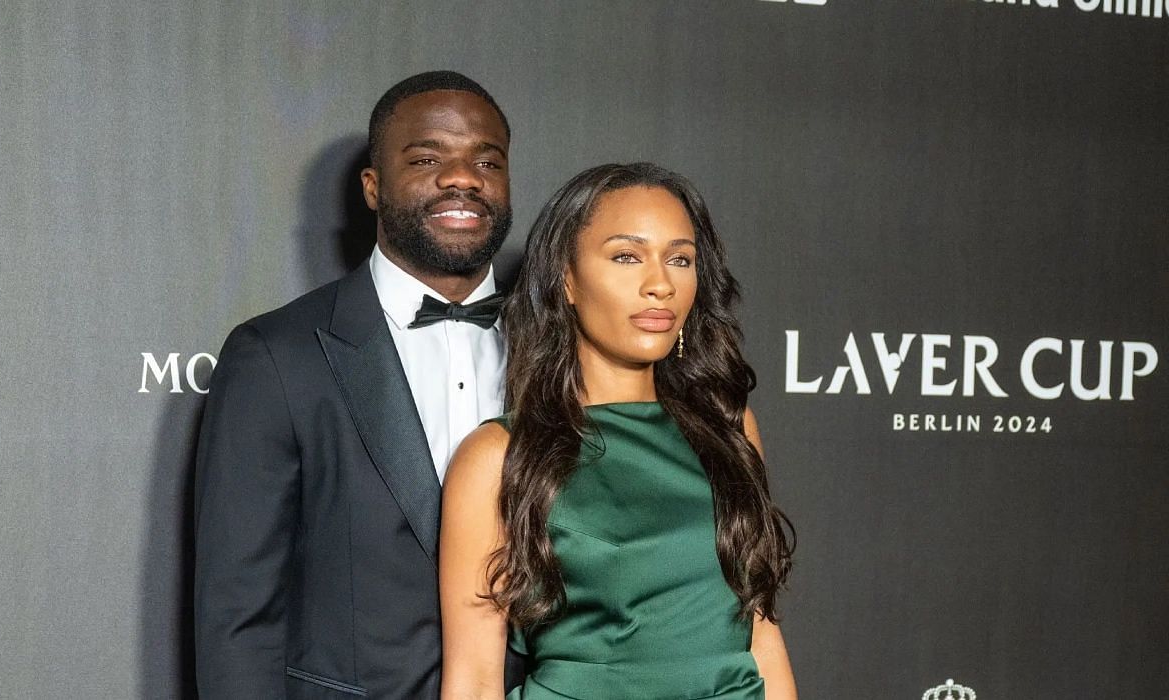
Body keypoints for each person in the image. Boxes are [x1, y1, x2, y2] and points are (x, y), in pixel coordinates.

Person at [194, 71, 524, 699]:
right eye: (427, 158)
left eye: (488, 160)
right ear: (373, 188)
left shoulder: (559, 354)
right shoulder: (276, 356)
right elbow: (237, 617)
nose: (463, 177)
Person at [440, 163, 798, 700]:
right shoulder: (497, 455)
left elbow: (762, 632)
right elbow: (473, 677)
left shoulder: (730, 429)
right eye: (627, 256)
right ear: (565, 278)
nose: (660, 285)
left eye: (680, 259)